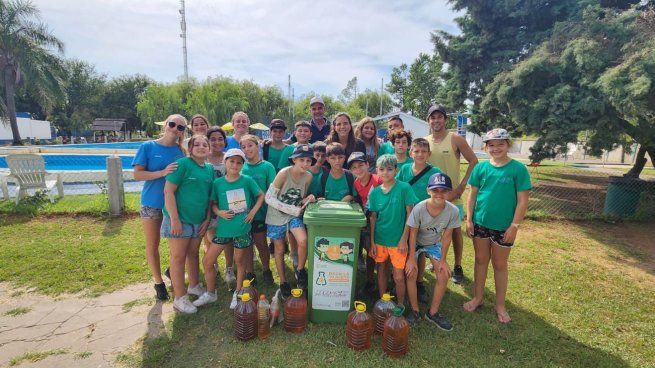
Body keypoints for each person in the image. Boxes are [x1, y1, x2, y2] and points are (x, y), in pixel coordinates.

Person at [464, 128, 531, 324]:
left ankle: (500, 304)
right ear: (485, 147)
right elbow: (472, 195)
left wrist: (514, 226)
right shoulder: (481, 168)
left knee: (500, 265)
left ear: (508, 145)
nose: (496, 148)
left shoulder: (518, 169)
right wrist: (469, 219)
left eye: (500, 144)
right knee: (480, 259)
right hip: (480, 223)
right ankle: (477, 298)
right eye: (491, 145)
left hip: (504, 226)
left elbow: (522, 201)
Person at [194, 148, 265, 309]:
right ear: (225, 162)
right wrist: (219, 212)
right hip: (224, 229)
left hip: (242, 228)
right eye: (231, 161)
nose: (235, 165)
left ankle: (238, 292)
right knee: (207, 261)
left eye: (239, 162)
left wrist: (253, 212)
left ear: (242, 165)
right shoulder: (218, 183)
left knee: (240, 263)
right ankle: (211, 293)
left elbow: (261, 195)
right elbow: (213, 204)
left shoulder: (246, 180)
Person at [132, 114, 186, 301]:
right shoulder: (148, 147)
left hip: (174, 206)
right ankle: (158, 282)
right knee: (152, 244)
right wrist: (161, 173)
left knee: (177, 246)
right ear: (165, 125)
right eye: (172, 124)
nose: (175, 128)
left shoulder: (181, 152)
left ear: (182, 132)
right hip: (152, 204)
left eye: (180, 127)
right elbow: (137, 175)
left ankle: (172, 271)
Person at [424, 104, 479, 284]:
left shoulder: (455, 138)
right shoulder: (425, 141)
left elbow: (473, 160)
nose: (436, 120)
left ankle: (457, 265)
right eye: (433, 117)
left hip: (453, 195)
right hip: (432, 197)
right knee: (435, 231)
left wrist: (462, 186)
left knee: (455, 232)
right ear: (428, 120)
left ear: (445, 119)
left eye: (440, 117)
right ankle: (438, 260)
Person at [162, 134, 214, 314]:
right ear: (190, 149)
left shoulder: (209, 169)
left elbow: (209, 199)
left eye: (204, 144)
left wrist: (207, 220)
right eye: (196, 144)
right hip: (179, 220)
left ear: (209, 149)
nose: (201, 147)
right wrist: (175, 219)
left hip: (198, 221)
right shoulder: (183, 165)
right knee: (178, 257)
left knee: (193, 254)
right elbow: (168, 191)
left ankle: (193, 285)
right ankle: (179, 298)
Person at [405, 173, 460, 329]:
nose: (439, 194)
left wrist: (442, 260)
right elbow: (413, 234)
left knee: (443, 274)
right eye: (435, 190)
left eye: (444, 191)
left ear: (449, 192)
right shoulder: (419, 208)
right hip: (416, 243)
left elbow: (447, 237)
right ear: (428, 190)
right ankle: (415, 310)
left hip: (434, 243)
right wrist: (410, 259)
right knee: (411, 272)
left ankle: (433, 312)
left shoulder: (453, 211)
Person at [265, 144, 316, 298]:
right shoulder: (283, 173)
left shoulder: (308, 176)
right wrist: (291, 209)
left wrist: (308, 198)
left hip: (293, 215)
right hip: (275, 215)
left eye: (308, 160)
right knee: (279, 249)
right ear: (294, 159)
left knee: (303, 240)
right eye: (301, 159)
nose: (305, 163)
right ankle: (283, 282)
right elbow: (269, 197)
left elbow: (300, 198)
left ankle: (300, 270)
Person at [395, 137, 442, 304]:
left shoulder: (435, 171)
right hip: (406, 215)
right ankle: (403, 279)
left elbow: (439, 192)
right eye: (416, 151)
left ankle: (419, 281)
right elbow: (397, 188)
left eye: (423, 151)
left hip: (426, 217)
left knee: (420, 250)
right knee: (407, 248)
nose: (420, 154)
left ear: (429, 154)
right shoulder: (405, 169)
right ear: (411, 153)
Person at [368, 154, 418, 307]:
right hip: (380, 239)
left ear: (396, 170)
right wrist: (372, 242)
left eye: (389, 169)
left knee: (398, 276)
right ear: (377, 171)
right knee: (381, 270)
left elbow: (411, 214)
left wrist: (404, 239)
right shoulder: (375, 192)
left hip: (397, 241)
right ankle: (384, 301)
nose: (385, 173)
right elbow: (373, 218)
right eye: (381, 169)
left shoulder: (404, 188)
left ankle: (401, 303)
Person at [240, 134, 276, 285]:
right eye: (243, 147)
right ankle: (250, 272)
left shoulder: (267, 166)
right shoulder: (241, 167)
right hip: (243, 213)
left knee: (261, 243)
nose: (247, 149)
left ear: (257, 146)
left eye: (250, 145)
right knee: (247, 244)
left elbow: (273, 189)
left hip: (261, 213)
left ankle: (267, 270)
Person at [347, 152, 382, 297]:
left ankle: (380, 282)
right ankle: (369, 280)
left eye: (361, 165)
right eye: (354, 167)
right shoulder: (356, 182)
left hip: (382, 220)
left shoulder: (378, 180)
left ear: (368, 165)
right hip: (367, 220)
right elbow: (362, 202)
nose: (358, 169)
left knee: (377, 252)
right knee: (368, 250)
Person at [203, 126, 234, 285]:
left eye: (220, 139)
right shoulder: (203, 158)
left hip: (226, 204)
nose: (217, 142)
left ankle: (229, 267)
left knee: (227, 238)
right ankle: (212, 264)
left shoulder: (229, 157)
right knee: (211, 237)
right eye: (213, 139)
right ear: (207, 141)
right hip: (208, 204)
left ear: (225, 141)